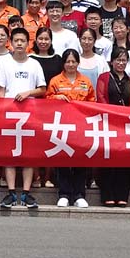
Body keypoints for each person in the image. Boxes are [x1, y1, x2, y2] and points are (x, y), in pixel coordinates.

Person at [0, 27, 46, 209]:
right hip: (9, 114)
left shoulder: (34, 64)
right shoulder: (5, 63)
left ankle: (25, 193)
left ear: (27, 43)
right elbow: (0, 91)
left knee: (28, 155)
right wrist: (0, 113)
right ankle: (11, 193)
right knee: (10, 155)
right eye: (16, 40)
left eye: (22, 41)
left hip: (30, 115)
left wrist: (27, 93)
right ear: (11, 42)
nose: (19, 44)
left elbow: (42, 89)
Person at [45, 49, 96, 208]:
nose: (71, 64)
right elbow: (45, 101)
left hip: (80, 126)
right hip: (62, 125)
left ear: (78, 63)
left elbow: (92, 102)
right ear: (63, 63)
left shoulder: (86, 81)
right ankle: (64, 194)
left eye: (74, 61)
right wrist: (55, 97)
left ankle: (79, 195)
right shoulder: (55, 81)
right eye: (68, 61)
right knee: (62, 159)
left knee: (80, 159)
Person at [95, 48, 130, 207]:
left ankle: (122, 195)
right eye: (118, 60)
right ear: (112, 61)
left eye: (124, 60)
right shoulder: (104, 77)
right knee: (108, 158)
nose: (121, 63)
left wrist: (125, 115)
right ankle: (107, 194)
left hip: (125, 125)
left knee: (124, 160)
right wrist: (112, 114)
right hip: (107, 123)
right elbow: (100, 97)